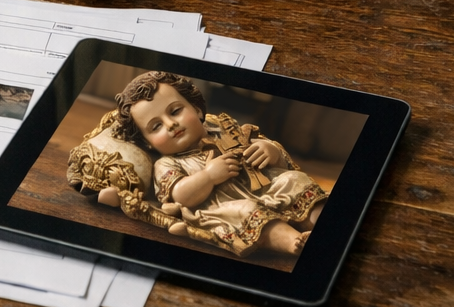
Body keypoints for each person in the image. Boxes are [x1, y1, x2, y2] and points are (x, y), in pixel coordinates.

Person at [114, 70, 327, 258]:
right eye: (156, 126)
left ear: (196, 109)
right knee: (247, 211)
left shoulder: (222, 129)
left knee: (293, 180)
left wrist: (269, 150)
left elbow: (268, 151)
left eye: (175, 111)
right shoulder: (167, 162)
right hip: (222, 207)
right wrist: (208, 176)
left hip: (264, 186)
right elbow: (180, 196)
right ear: (148, 144)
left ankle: (322, 221)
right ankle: (294, 242)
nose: (171, 124)